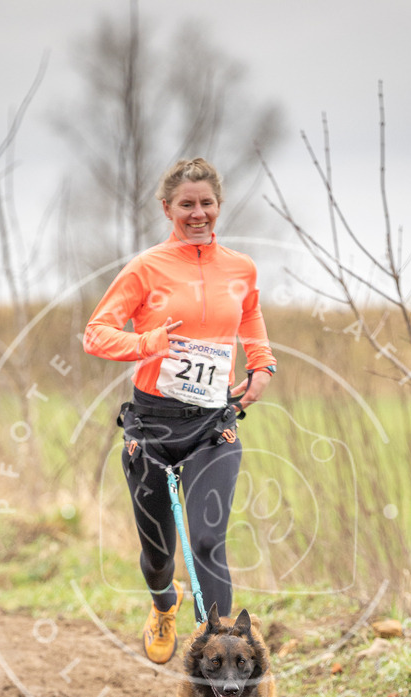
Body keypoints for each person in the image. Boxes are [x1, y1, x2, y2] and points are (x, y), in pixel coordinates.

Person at [83, 157, 276, 664]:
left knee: (209, 539)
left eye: (206, 203)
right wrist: (148, 342)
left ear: (219, 205)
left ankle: (223, 655)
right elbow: (95, 333)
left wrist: (261, 365)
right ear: (167, 208)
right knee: (159, 554)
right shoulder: (146, 268)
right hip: (151, 425)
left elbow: (250, 315)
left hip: (213, 423)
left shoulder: (241, 268)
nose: (198, 213)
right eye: (186, 205)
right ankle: (163, 605)